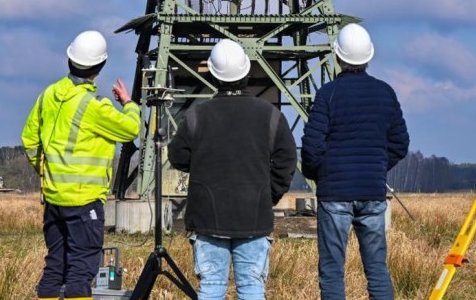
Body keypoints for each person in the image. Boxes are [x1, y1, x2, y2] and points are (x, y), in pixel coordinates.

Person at [168, 38, 297, 300]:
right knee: (251, 288)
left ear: (214, 75)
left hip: (207, 216)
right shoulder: (271, 115)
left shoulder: (195, 116)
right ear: (247, 71)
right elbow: (286, 161)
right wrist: (267, 195)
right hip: (254, 215)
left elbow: (178, 156)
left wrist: (204, 164)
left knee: (211, 287)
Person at [21, 30, 140, 300]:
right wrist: (129, 103)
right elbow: (131, 129)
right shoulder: (94, 106)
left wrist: (48, 172)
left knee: (55, 266)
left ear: (69, 59)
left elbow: (29, 140)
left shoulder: (47, 96)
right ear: (99, 68)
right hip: (84, 202)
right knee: (82, 270)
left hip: (53, 200)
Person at [301, 23, 409, 300]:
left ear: (338, 57)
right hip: (372, 193)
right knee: (376, 269)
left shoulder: (328, 94)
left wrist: (322, 174)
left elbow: (312, 148)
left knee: (332, 270)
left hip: (335, 193)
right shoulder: (385, 92)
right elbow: (400, 143)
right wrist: (374, 167)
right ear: (368, 57)